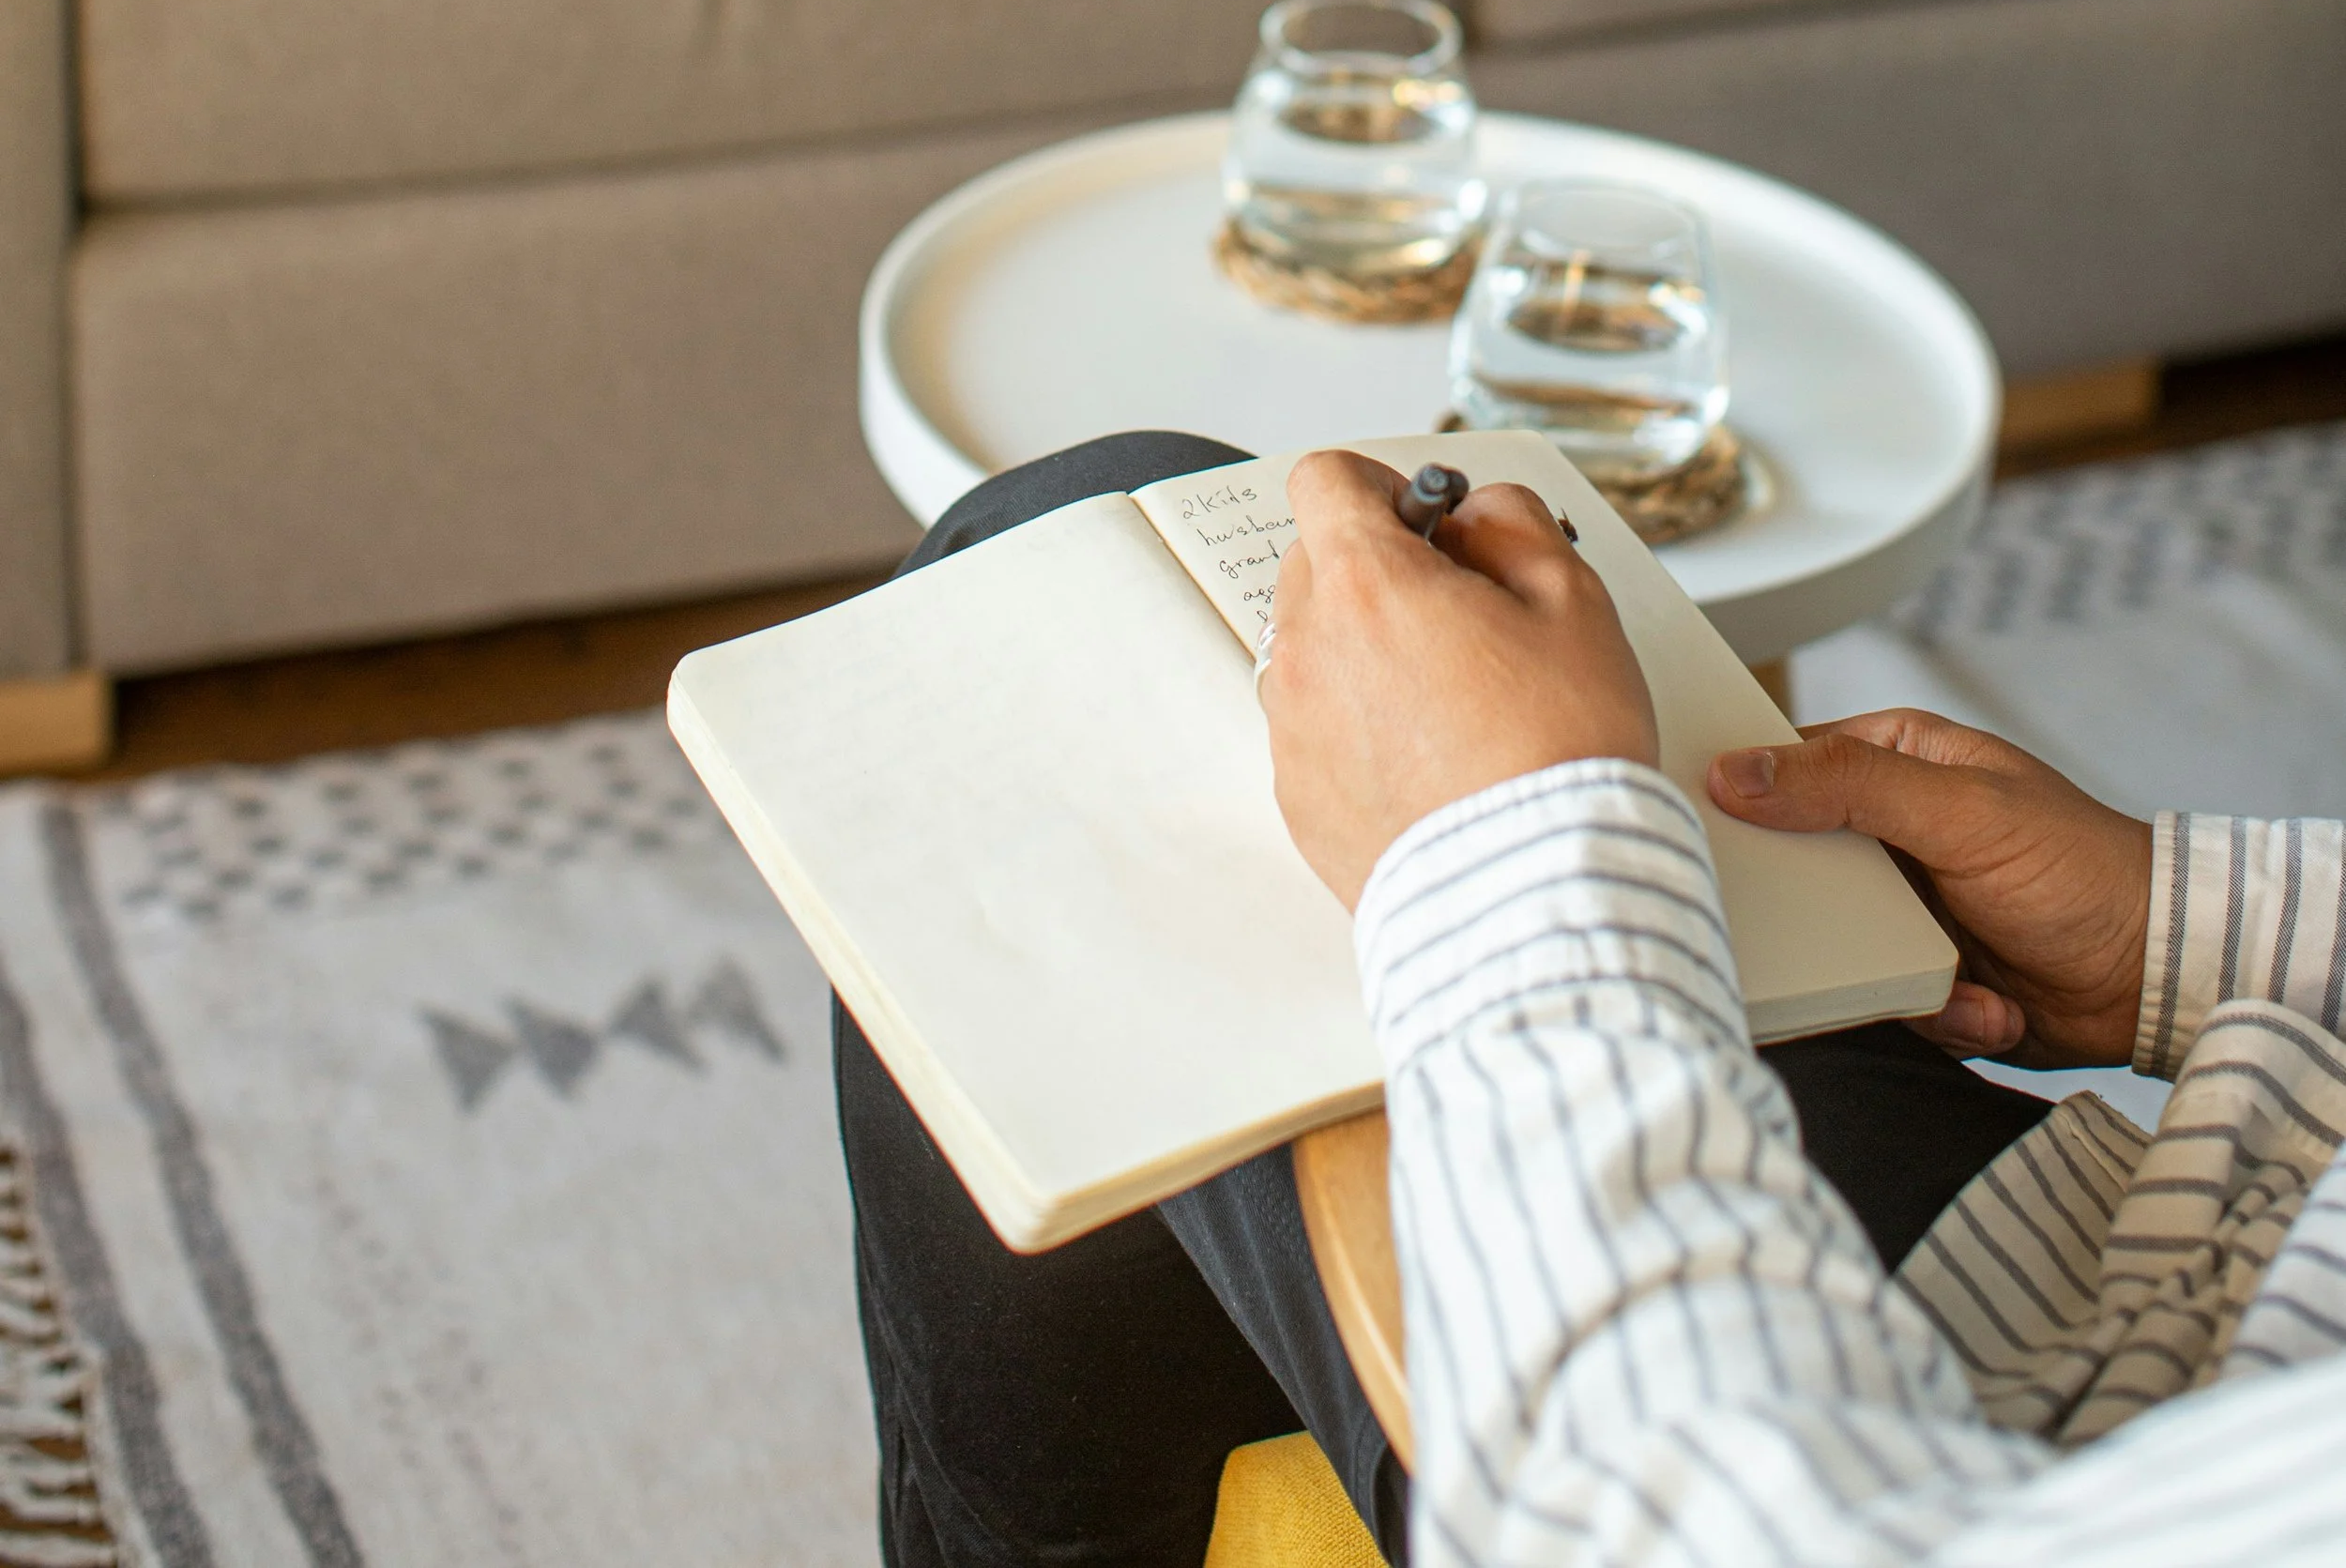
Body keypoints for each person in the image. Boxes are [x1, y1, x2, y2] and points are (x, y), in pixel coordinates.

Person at [838, 433, 2346, 1566]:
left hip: (1914, 1458)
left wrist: (1510, 843)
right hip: (2172, 1270)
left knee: (1036, 590)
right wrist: (2187, 926)